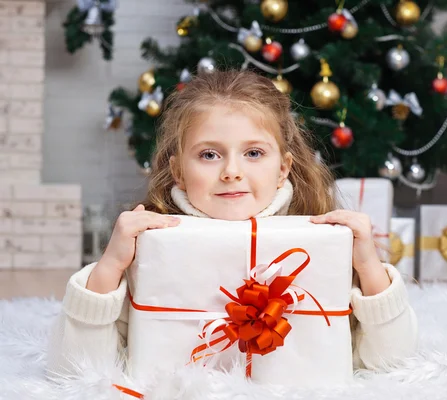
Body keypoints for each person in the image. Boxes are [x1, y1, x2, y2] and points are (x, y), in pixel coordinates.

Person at [46, 69, 418, 381]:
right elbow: (77, 371)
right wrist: (109, 268)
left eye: (254, 153)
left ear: (283, 169)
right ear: (177, 170)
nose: (232, 172)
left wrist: (369, 270)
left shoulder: (323, 247)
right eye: (209, 154)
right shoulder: (148, 247)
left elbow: (392, 366)